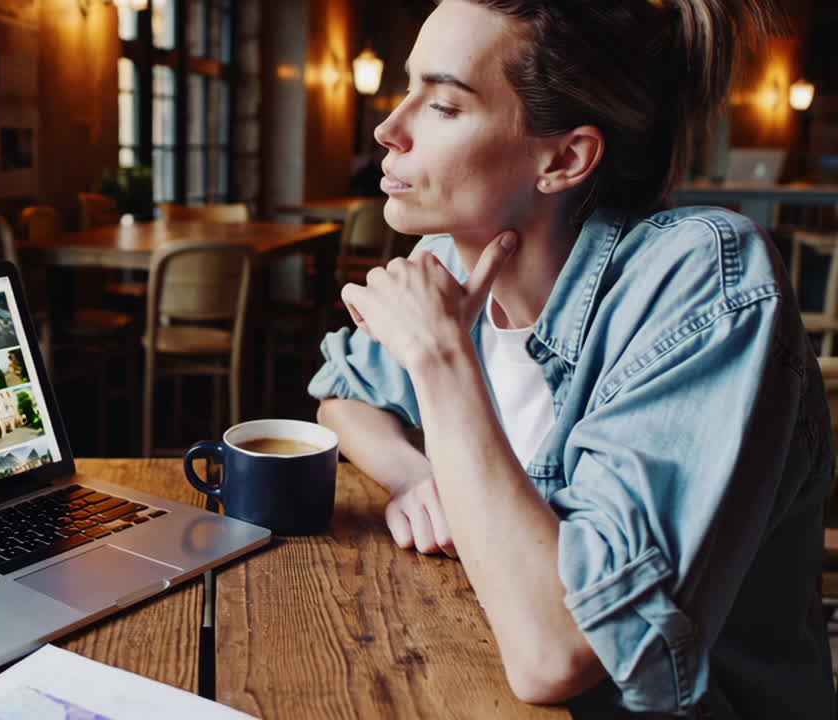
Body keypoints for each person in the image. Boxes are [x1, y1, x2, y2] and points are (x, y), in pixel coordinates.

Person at [308, 0, 834, 717]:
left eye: (442, 105)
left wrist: (440, 360)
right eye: (406, 91)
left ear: (563, 158)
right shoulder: (448, 258)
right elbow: (344, 396)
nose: (388, 130)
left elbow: (560, 657)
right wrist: (419, 478)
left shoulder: (701, 276)